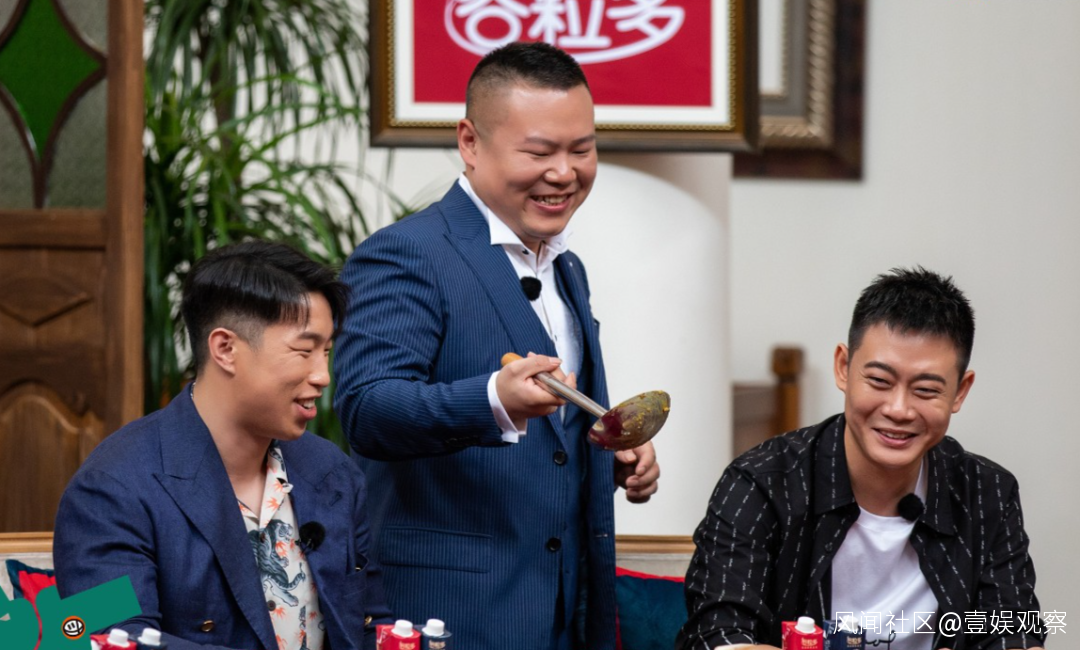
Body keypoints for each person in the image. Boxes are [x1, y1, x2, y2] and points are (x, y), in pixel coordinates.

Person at [333, 41, 659, 650]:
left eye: (582, 149)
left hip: (564, 613)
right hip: (450, 614)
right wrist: (492, 401)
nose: (564, 173)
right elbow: (366, 409)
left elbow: (552, 443)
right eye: (538, 152)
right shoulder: (406, 253)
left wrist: (607, 459)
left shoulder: (568, 268)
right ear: (470, 142)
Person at [679, 267, 1046, 650]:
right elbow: (719, 636)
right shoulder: (761, 484)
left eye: (925, 390)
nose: (899, 409)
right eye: (880, 381)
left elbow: (1014, 632)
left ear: (960, 391)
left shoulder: (987, 492)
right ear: (844, 367)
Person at [54, 241, 392, 650]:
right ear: (226, 349)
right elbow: (114, 641)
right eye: (304, 351)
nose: (323, 376)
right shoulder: (110, 489)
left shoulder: (331, 472)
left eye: (326, 352)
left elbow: (373, 626)